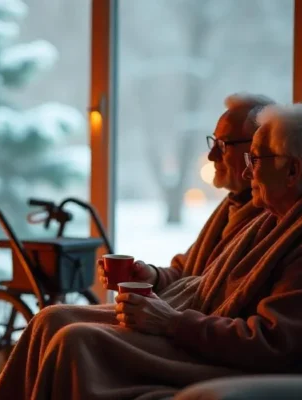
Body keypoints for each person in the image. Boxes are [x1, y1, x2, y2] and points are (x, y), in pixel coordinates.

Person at [0, 102, 302, 400]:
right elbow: (202, 274)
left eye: (257, 159)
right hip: (203, 328)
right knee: (50, 317)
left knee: (75, 341)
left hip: (237, 363)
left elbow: (271, 344)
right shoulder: (282, 212)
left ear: (293, 170)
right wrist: (159, 289)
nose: (248, 170)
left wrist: (172, 321)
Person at [111, 93, 273, 291]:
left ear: (256, 149)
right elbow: (188, 272)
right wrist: (152, 276)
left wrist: (168, 319)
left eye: (223, 145)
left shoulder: (272, 219)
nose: (212, 156)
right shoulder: (231, 206)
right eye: (213, 142)